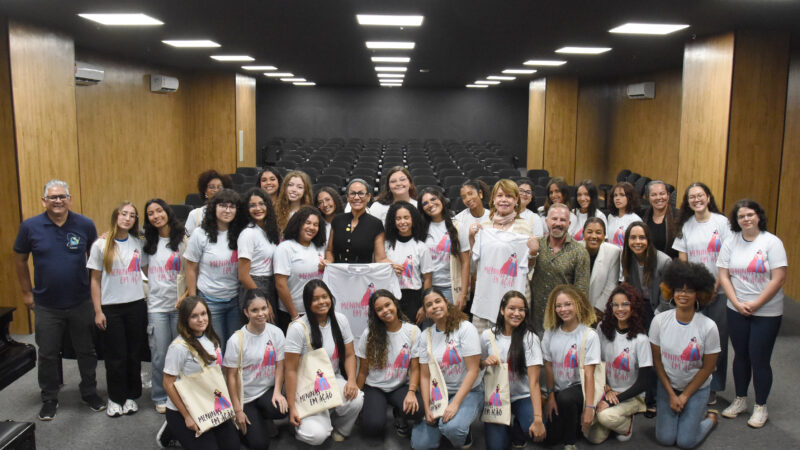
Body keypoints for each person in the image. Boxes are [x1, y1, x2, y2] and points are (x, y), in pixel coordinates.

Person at [14, 179, 104, 420]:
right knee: (48, 353)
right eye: (52, 197)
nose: (57, 201)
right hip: (46, 304)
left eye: (62, 196)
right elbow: (20, 261)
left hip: (80, 301)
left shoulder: (85, 225)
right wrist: (26, 293)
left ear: (69, 199)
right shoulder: (30, 227)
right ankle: (50, 397)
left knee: (86, 351)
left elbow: (95, 261)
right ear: (44, 200)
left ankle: (89, 391)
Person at [718, 199, 787, 428]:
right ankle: (740, 400)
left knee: (759, 358)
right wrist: (736, 302)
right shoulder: (731, 241)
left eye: (750, 215)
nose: (746, 219)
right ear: (736, 220)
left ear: (758, 216)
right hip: (737, 308)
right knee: (741, 356)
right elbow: (724, 275)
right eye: (741, 216)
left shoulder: (771, 242)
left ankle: (760, 406)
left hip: (766, 311)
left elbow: (778, 278)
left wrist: (756, 304)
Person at [650, 260, 720, 449]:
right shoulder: (659, 321)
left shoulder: (709, 327)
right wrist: (672, 395)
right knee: (665, 439)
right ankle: (685, 415)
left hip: (696, 389)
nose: (683, 294)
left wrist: (684, 396)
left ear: (698, 294)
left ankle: (710, 419)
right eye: (679, 289)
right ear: (671, 291)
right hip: (668, 387)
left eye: (689, 290)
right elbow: (657, 362)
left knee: (685, 442)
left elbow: (707, 368)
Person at [672, 182, 731, 405]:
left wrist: (715, 286)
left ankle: (714, 387)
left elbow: (728, 256)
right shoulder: (686, 225)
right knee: (693, 340)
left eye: (700, 195)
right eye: (691, 197)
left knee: (717, 340)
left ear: (708, 197)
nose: (696, 200)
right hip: (694, 291)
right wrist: (690, 288)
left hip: (719, 290)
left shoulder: (722, 222)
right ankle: (693, 382)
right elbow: (683, 259)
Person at [284, 280, 364, 445]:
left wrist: (351, 380)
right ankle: (301, 425)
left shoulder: (340, 320)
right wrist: (292, 407)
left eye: (324, 296)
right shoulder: (297, 328)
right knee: (318, 435)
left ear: (330, 297)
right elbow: (290, 370)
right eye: (315, 299)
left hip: (332, 380)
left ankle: (340, 427)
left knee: (356, 398)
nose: (321, 302)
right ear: (307, 303)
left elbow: (349, 355)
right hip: (307, 388)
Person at [87, 202, 147, 418]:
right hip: (111, 308)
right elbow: (94, 280)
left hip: (136, 305)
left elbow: (147, 270)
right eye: (124, 214)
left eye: (132, 215)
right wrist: (98, 310)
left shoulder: (138, 243)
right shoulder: (100, 245)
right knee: (115, 356)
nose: (127, 218)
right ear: (116, 216)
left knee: (133, 354)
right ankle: (115, 397)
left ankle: (131, 396)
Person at [158, 296, 238, 450]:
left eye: (203, 314)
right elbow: (167, 383)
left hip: (208, 403)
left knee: (232, 446)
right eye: (194, 316)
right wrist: (187, 417)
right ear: (185, 320)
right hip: (185, 409)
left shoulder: (211, 338)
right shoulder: (178, 347)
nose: (201, 319)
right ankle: (172, 429)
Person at [411, 288, 483, 449]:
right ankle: (445, 427)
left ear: (446, 302)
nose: (435, 306)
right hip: (439, 393)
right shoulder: (425, 336)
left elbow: (473, 370)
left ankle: (460, 431)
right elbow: (424, 376)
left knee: (452, 428)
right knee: (419, 445)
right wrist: (427, 406)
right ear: (426, 312)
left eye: (438, 301)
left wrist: (455, 404)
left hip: (468, 391)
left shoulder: (465, 328)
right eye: (429, 305)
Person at [468, 179, 538, 333]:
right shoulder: (484, 227)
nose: (504, 200)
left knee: (512, 341)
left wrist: (533, 253)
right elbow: (476, 261)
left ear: (516, 200)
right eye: (500, 196)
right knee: (484, 343)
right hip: (487, 293)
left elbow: (529, 265)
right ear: (493, 199)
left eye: (509, 196)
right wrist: (472, 238)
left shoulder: (524, 228)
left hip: (515, 294)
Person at [587, 284, 654, 443]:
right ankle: (613, 421)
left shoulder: (641, 339)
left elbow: (645, 382)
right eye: (615, 305)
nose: (620, 309)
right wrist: (607, 389)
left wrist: (612, 401)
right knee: (593, 438)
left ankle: (626, 423)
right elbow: (598, 364)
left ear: (634, 307)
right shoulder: (602, 330)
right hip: (607, 389)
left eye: (625, 304)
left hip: (632, 395)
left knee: (604, 416)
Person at [223, 289, 288, 449]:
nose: (260, 314)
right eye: (254, 310)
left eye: (264, 308)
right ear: (246, 312)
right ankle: (247, 423)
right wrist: (238, 410)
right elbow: (230, 377)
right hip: (246, 398)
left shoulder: (276, 332)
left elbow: (281, 364)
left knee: (282, 410)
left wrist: (278, 391)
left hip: (267, 391)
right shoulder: (236, 340)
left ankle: (263, 419)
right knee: (259, 445)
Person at [481, 291, 546, 449]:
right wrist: (484, 362)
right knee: (496, 447)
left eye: (522, 310)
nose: (517, 313)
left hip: (522, 396)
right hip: (496, 397)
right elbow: (477, 364)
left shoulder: (530, 338)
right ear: (502, 310)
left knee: (534, 431)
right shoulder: (487, 336)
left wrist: (538, 419)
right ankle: (502, 427)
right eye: (512, 308)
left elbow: (534, 382)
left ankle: (517, 428)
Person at [356, 289, 424, 438]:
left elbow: (415, 367)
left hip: (399, 386)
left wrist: (412, 392)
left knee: (419, 409)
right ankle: (374, 409)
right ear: (375, 314)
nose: (385, 311)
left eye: (388, 305)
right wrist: (356, 400)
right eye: (379, 309)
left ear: (395, 303)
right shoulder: (369, 334)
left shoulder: (412, 331)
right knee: (373, 427)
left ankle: (399, 414)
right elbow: (362, 370)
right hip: (374, 387)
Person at [141, 199, 187, 414]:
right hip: (157, 307)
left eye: (159, 210)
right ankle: (160, 395)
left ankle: (183, 393)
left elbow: (190, 271)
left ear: (167, 211)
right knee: (159, 354)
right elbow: (143, 268)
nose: (156, 216)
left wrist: (186, 295)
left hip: (179, 305)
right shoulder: (147, 242)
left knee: (182, 353)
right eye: (150, 213)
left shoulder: (183, 239)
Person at [185, 189, 244, 348]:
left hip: (235, 300)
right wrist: (194, 299)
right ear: (214, 208)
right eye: (223, 206)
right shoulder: (200, 234)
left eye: (232, 207)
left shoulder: (241, 234)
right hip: (210, 301)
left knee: (234, 347)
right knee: (216, 347)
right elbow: (190, 268)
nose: (227, 210)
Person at [542, 285, 599, 450]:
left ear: (577, 304)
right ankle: (573, 425)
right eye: (558, 306)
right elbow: (549, 366)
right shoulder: (550, 333)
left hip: (579, 389)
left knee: (566, 399)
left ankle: (570, 441)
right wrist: (550, 396)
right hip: (558, 391)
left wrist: (589, 407)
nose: (563, 309)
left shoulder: (589, 335)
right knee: (550, 439)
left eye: (568, 304)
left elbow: (589, 374)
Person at [530, 203, 590, 335]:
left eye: (562, 220)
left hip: (562, 322)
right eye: (554, 219)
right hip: (534, 319)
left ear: (569, 223)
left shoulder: (579, 252)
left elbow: (581, 292)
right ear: (547, 221)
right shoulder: (536, 245)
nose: (558, 223)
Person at [274, 206, 327, 330]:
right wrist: (295, 316)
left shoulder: (319, 247)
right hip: (292, 314)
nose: (311, 227)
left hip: (316, 311)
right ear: (298, 223)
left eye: (315, 224)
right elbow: (280, 284)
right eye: (307, 223)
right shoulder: (285, 248)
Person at [419, 187, 470, 308]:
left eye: (433, 199)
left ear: (441, 199)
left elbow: (465, 262)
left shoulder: (458, 225)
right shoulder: (420, 228)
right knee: (429, 326)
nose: (430, 204)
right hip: (427, 287)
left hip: (451, 288)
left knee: (451, 326)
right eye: (425, 203)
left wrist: (463, 293)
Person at [384, 202, 433, 325]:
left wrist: (424, 305)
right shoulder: (386, 245)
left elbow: (427, 279)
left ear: (413, 219)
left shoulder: (421, 247)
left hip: (413, 298)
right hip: (390, 296)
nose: (402, 222)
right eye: (398, 218)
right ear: (393, 221)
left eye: (406, 217)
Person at [237, 187, 280, 320]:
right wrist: (263, 300)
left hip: (270, 284)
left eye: (261, 204)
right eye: (252, 205)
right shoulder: (248, 234)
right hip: (255, 286)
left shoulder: (268, 230)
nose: (258, 208)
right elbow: (243, 276)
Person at [326, 178, 388, 264]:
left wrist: (394, 265)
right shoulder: (337, 220)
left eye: (361, 193)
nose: (356, 197)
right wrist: (328, 261)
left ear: (368, 197)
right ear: (347, 197)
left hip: (363, 275)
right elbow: (329, 251)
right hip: (339, 274)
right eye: (352, 194)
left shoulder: (376, 224)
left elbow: (380, 258)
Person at [621, 221, 672, 324]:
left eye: (642, 237)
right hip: (639, 307)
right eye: (633, 237)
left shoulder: (664, 261)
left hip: (660, 309)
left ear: (648, 240)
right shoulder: (628, 259)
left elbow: (666, 297)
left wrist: (657, 316)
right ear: (627, 240)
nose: (637, 241)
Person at [582, 217, 621, 315]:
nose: (594, 236)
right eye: (589, 232)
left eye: (598, 232)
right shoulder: (575, 250)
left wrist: (597, 312)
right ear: (583, 234)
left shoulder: (613, 252)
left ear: (604, 235)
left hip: (599, 312)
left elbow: (611, 286)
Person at [185, 169, 233, 236]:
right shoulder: (194, 214)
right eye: (211, 187)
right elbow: (188, 240)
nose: (216, 190)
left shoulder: (230, 213)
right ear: (205, 191)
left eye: (219, 187)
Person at [641, 180, 679, 258]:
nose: (658, 198)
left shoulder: (678, 217)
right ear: (648, 198)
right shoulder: (642, 216)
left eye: (662, 194)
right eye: (654, 195)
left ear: (668, 196)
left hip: (672, 265)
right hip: (647, 263)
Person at [607, 182, 642, 248]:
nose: (617, 198)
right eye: (615, 195)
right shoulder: (610, 217)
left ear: (630, 198)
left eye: (622, 195)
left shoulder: (635, 220)